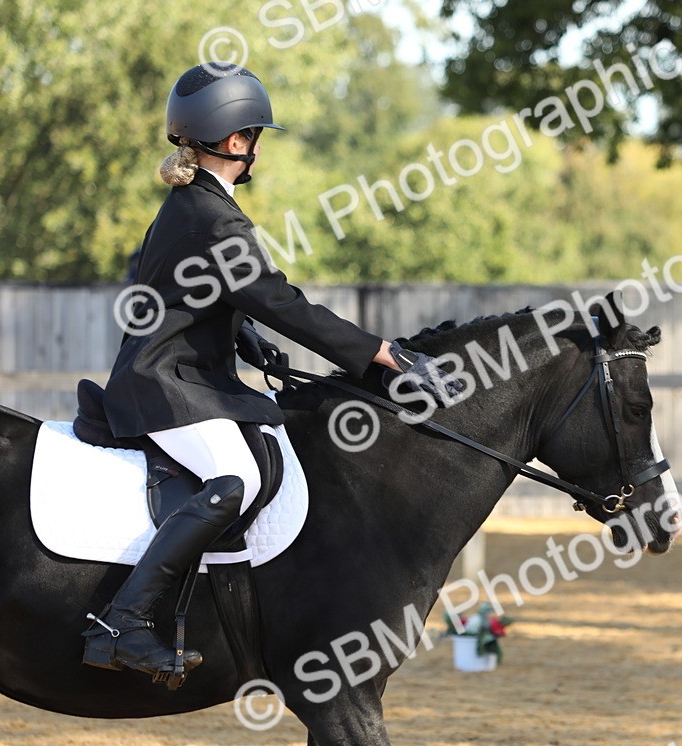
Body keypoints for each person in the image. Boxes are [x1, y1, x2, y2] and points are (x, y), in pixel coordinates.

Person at [81, 63, 457, 680]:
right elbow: (279, 300)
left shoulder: (190, 205)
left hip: (180, 373)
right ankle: (123, 620)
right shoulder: (214, 216)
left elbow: (197, 295)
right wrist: (385, 354)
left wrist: (250, 343)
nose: (258, 148)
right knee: (238, 478)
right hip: (163, 386)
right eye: (255, 136)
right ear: (234, 142)